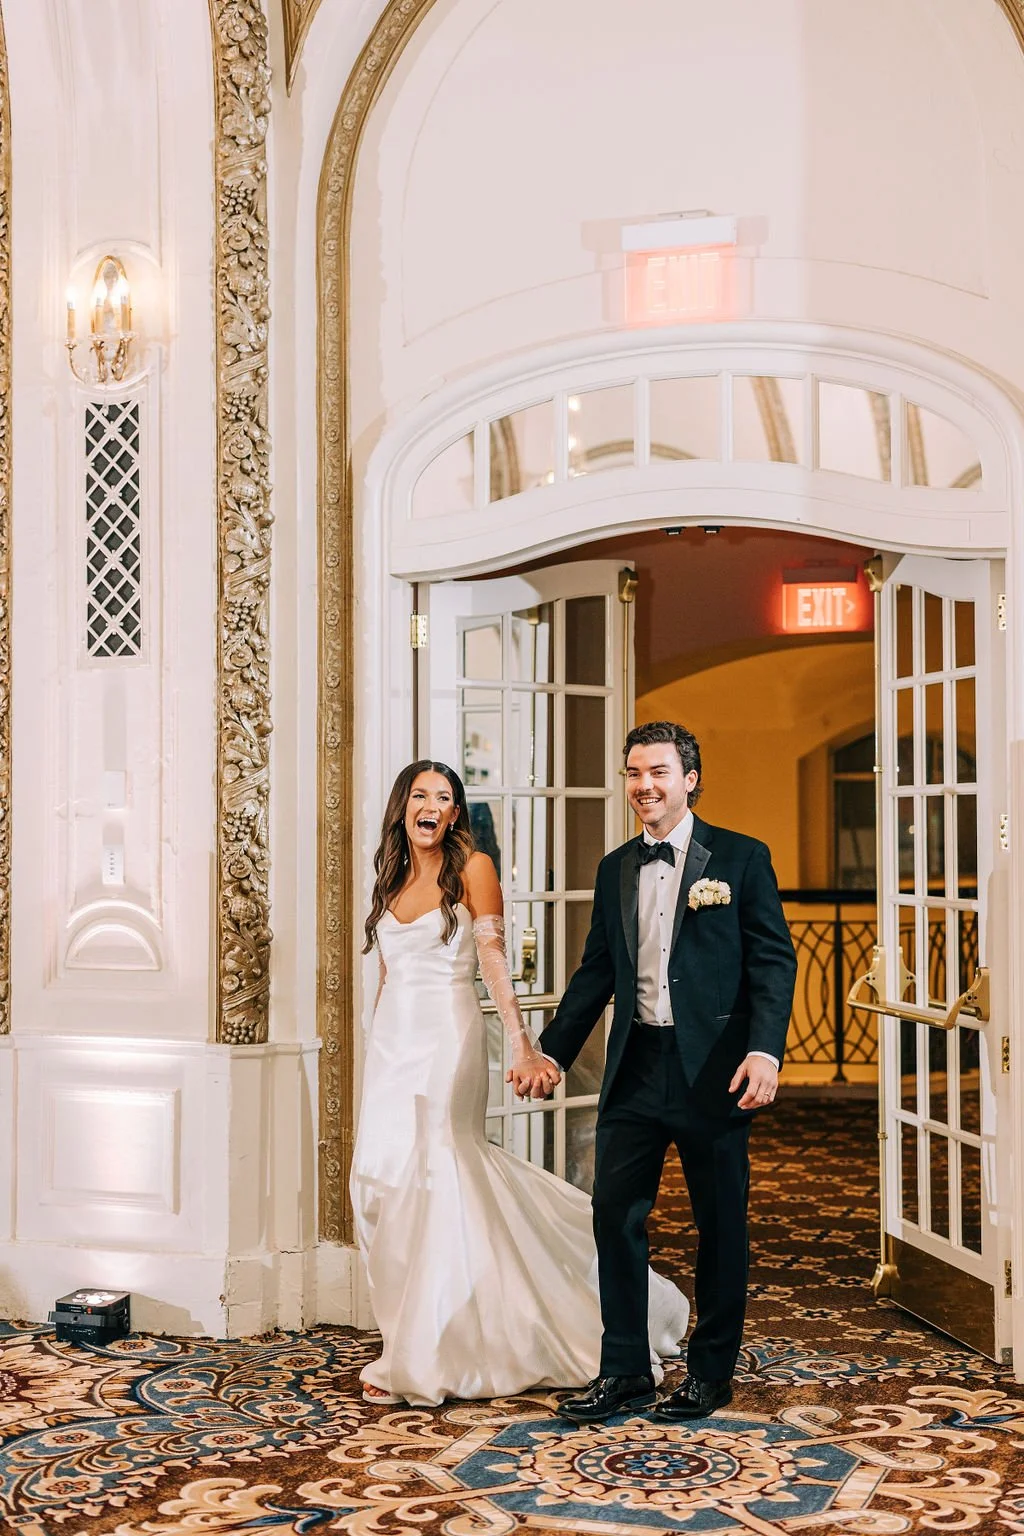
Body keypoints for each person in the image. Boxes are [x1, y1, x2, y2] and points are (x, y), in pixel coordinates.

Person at [350, 759, 689, 1407]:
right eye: (419, 795)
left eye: (444, 798)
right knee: (382, 1178)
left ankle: (427, 1354)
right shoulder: (389, 874)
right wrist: (375, 1054)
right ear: (402, 808)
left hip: (447, 1042)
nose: (431, 805)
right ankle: (413, 1333)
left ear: (456, 814)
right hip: (392, 1047)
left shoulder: (472, 870)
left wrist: (522, 1044)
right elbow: (388, 979)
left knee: (439, 1175)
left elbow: (493, 964)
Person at [529, 721, 797, 1424]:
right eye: (633, 773)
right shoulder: (615, 866)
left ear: (690, 779)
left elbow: (773, 962)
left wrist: (764, 1050)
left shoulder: (741, 859)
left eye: (657, 773)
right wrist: (553, 1051)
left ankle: (710, 1374)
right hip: (637, 1066)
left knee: (719, 1225)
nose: (643, 786)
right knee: (613, 1217)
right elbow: (595, 974)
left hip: (714, 1072)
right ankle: (623, 1372)